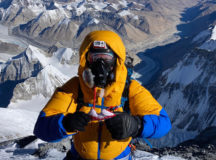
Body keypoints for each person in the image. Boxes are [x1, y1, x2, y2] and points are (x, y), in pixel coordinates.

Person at [33, 30, 171, 160]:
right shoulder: (76, 86)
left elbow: (163, 122)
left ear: (116, 60)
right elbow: (41, 127)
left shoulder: (129, 89)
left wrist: (136, 126)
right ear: (86, 60)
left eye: (106, 57)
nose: (101, 64)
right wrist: (66, 123)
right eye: (95, 57)